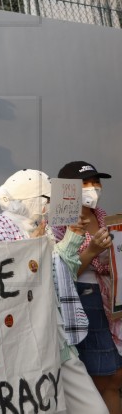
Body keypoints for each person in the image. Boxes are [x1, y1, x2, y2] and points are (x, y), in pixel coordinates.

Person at [0, 169, 109, 413]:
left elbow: (63, 272)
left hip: (58, 338)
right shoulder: (1, 233)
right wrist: (30, 249)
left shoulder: (44, 228)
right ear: (34, 200)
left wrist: (72, 237)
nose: (52, 206)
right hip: (25, 346)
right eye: (47, 200)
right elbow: (9, 287)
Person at [54, 161, 121, 414]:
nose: (93, 188)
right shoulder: (61, 223)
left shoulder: (103, 217)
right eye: (86, 183)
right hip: (84, 300)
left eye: (96, 182)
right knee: (103, 378)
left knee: (114, 379)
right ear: (67, 190)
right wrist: (92, 250)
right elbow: (62, 272)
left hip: (111, 301)